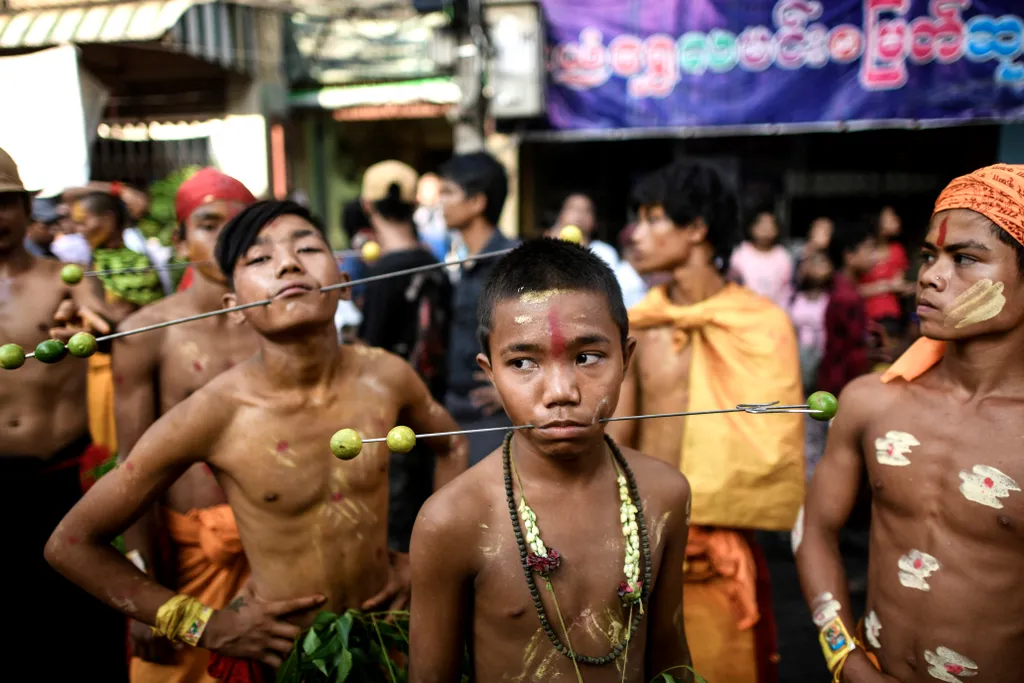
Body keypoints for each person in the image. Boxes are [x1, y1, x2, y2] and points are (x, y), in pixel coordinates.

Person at [45, 200, 469, 680]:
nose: (288, 263)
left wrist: (425, 562)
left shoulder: (386, 376)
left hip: (388, 639)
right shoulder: (216, 412)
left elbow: (451, 444)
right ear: (236, 308)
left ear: (345, 282)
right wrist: (204, 625)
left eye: (307, 248)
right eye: (259, 260)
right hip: (282, 660)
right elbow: (72, 543)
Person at [409, 238, 693, 682]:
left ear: (626, 359)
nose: (561, 391)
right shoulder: (452, 520)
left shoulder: (664, 495)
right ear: (490, 374)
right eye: (523, 363)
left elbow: (671, 659)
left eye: (587, 357)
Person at [795, 164, 1024, 682]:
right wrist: (844, 658)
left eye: (965, 258)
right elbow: (813, 532)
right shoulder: (873, 403)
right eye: (928, 256)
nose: (930, 275)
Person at [608, 161, 805, 683]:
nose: (637, 235)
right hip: (640, 542)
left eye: (653, 220)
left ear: (697, 229)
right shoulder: (638, 327)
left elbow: (772, 447)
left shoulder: (760, 325)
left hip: (720, 547)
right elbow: (615, 436)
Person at [114, 168, 258, 683]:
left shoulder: (281, 323)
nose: (224, 240)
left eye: (240, 227)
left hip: (276, 550)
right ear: (179, 238)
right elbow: (131, 469)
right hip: (186, 561)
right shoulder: (146, 332)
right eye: (207, 224)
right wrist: (144, 590)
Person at [0, 146, 128, 680]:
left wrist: (96, 331)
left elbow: (116, 326)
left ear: (26, 208)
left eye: (3, 203)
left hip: (63, 482)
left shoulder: (66, 279)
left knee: (80, 630)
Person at [357, 160, 453, 559]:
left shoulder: (382, 274)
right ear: (416, 205)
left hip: (389, 418)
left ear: (368, 205)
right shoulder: (437, 267)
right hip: (436, 409)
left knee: (395, 532)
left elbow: (368, 352)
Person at [438, 151, 517, 465]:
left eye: (449, 192)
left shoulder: (511, 262)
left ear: (477, 202)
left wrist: (510, 389)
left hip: (491, 416)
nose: (440, 203)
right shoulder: (459, 257)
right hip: (454, 410)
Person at [816, 223, 876, 399]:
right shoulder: (847, 297)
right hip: (843, 383)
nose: (873, 256)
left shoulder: (839, 288)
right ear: (849, 256)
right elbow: (854, 349)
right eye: (868, 249)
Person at [860, 206, 912, 337]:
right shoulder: (861, 252)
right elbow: (853, 289)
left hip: (890, 316)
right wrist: (887, 285)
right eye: (890, 217)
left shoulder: (897, 250)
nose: (896, 220)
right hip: (863, 315)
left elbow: (898, 285)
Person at [729, 207, 795, 308]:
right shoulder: (740, 253)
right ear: (751, 227)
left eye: (770, 224)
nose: (766, 228)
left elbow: (785, 290)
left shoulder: (783, 256)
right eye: (761, 223)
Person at [790, 250, 833, 395]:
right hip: (798, 356)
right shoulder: (793, 297)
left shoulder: (834, 297)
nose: (818, 267)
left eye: (822, 262)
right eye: (812, 263)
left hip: (825, 356)